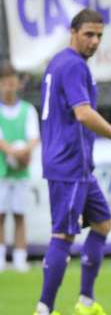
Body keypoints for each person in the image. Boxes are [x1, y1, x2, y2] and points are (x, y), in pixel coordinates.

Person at [34, 9, 111, 315]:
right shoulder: (73, 65)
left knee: (103, 223)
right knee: (63, 235)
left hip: (79, 166)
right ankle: (44, 309)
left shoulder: (61, 62)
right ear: (73, 32)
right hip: (68, 163)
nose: (94, 41)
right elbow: (82, 113)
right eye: (88, 34)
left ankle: (85, 302)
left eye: (99, 36)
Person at [0, 63, 39, 273]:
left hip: (21, 171)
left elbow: (34, 138)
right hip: (1, 171)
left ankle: (20, 258)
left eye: (12, 83)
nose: (8, 87)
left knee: (19, 214)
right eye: (5, 83)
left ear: (18, 85)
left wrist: (24, 152)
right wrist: (12, 153)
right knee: (0, 214)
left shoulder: (27, 110)